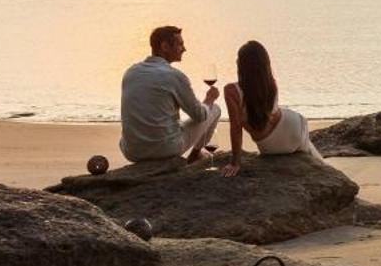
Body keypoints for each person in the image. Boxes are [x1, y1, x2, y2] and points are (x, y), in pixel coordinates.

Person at [118, 25, 221, 165]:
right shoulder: (175, 76)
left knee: (170, 121)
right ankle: (196, 155)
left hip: (132, 151)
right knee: (214, 109)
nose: (184, 49)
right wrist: (209, 99)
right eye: (180, 44)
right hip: (165, 150)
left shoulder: (130, 72)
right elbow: (200, 115)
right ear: (165, 46)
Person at [221, 39, 321, 177]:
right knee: (313, 158)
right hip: (295, 128)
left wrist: (235, 162)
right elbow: (271, 112)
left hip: (270, 146)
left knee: (311, 156)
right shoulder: (270, 83)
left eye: (238, 59)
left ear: (242, 64)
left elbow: (236, 128)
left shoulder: (231, 91)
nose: (236, 61)